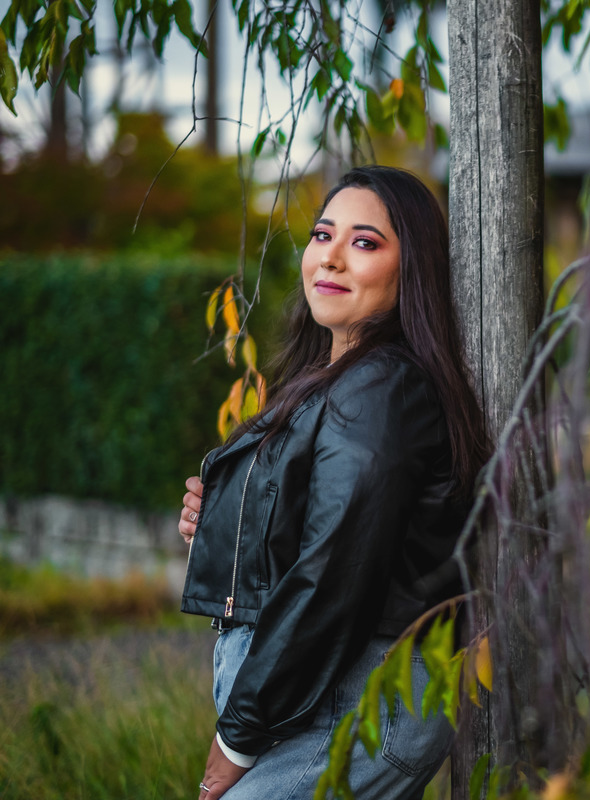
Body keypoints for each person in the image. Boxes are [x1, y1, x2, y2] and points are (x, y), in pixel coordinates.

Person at [177, 166, 489, 800]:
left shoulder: (382, 388)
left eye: (365, 242)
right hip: (327, 694)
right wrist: (226, 526)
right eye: (323, 235)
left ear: (412, 271)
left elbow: (333, 573)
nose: (333, 257)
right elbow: (332, 533)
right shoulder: (336, 383)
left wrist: (236, 738)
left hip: (354, 697)